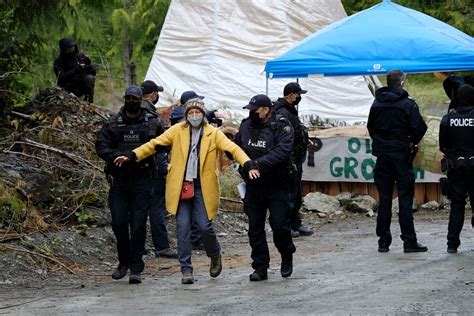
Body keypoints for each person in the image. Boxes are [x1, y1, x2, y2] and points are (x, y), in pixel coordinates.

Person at [114, 98, 259, 284]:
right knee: (182, 228)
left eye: (197, 112)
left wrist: (248, 163)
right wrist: (132, 155)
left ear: (203, 114)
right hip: (181, 185)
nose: (194, 115)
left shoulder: (213, 133)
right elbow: (154, 144)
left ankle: (214, 254)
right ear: (186, 115)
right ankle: (186, 270)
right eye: (190, 113)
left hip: (203, 187)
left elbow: (232, 148)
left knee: (205, 226)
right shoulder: (177, 131)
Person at [95, 85, 164, 284]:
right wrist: (119, 156)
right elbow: (101, 146)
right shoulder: (113, 123)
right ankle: (123, 261)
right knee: (118, 223)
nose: (132, 101)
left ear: (141, 99)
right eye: (128, 98)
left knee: (138, 225)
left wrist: (140, 155)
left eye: (135, 98)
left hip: (143, 179)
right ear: (125, 99)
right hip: (120, 181)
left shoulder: (152, 121)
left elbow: (164, 144)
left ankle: (136, 267)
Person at [235, 94, 296, 281]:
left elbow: (282, 152)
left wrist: (256, 164)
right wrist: (243, 163)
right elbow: (236, 148)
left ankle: (286, 253)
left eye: (255, 110)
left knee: (279, 225)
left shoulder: (282, 126)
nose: (251, 112)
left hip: (277, 184)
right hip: (253, 186)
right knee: (254, 228)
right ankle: (260, 266)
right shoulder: (246, 125)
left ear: (266, 110)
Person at [367, 69, 428, 253]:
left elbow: (371, 128)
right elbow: (419, 129)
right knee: (405, 200)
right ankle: (409, 241)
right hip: (401, 156)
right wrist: (410, 143)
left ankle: (383, 242)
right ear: (402, 83)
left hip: (383, 157)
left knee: (384, 199)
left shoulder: (376, 104)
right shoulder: (408, 105)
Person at [140, 80, 177, 259]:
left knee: (137, 209)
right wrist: (164, 170)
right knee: (156, 208)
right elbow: (161, 146)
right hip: (152, 169)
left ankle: (137, 247)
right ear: (153, 95)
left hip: (132, 168)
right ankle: (162, 247)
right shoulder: (152, 117)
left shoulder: (128, 113)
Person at [273, 82, 314, 238]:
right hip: (287, 160)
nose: (300, 97)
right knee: (287, 194)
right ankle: (286, 226)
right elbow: (285, 138)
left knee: (296, 194)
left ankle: (295, 223)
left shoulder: (290, 110)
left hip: (295, 157)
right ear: (290, 95)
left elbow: (297, 131)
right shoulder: (282, 111)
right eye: (298, 94)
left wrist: (306, 140)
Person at [439, 84, 474, 253]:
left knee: (457, 205)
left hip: (456, 169)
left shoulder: (447, 119)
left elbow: (442, 146)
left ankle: (452, 243)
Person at [54, 37, 96, 102]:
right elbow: (61, 77)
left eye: (72, 47)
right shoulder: (59, 62)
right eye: (69, 48)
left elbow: (92, 72)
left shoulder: (80, 56)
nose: (71, 49)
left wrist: (88, 65)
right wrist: (76, 69)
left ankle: (88, 100)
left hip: (81, 84)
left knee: (89, 78)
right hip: (68, 86)